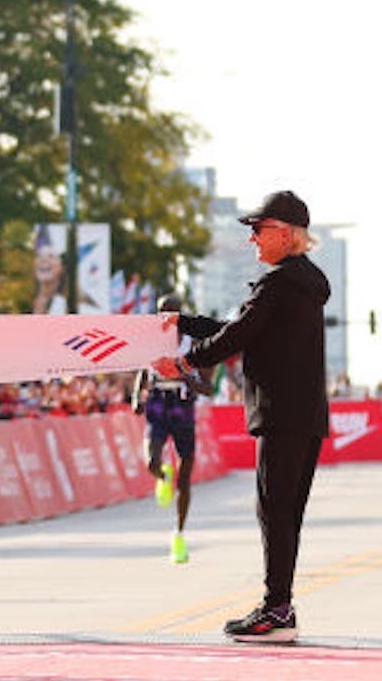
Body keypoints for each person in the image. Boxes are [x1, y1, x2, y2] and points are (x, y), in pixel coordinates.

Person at [156, 189, 328, 645]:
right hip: (302, 413)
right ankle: (279, 606)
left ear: (287, 234)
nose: (252, 239)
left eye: (259, 230)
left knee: (275, 510)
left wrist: (184, 363)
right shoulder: (299, 285)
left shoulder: (279, 285)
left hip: (282, 413)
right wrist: (188, 324)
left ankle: (277, 610)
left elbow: (240, 334)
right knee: (284, 511)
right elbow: (246, 331)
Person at [132, 292, 221, 564]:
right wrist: (137, 397)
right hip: (158, 402)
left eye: (171, 312)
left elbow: (207, 387)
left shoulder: (194, 343)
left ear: (181, 315)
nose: (165, 318)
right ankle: (161, 474)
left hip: (183, 405)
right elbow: (142, 372)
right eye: (161, 312)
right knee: (151, 460)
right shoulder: (151, 343)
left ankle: (178, 534)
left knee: (186, 477)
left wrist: (183, 374)